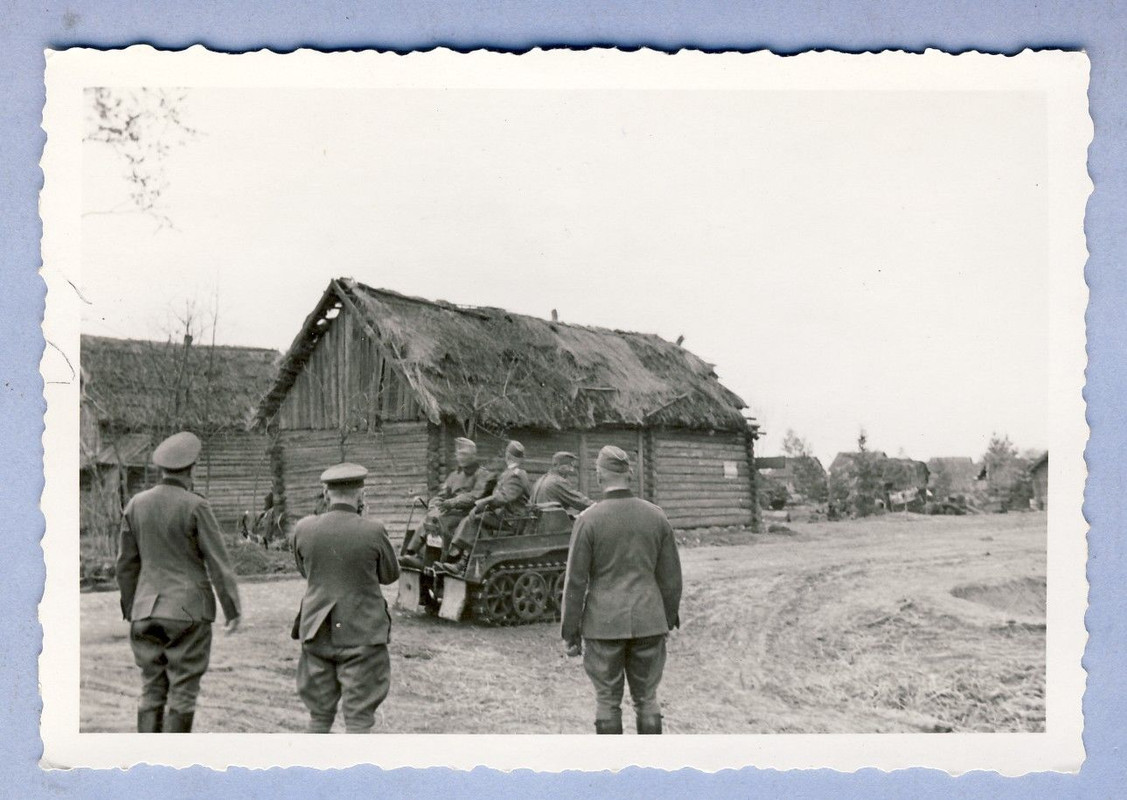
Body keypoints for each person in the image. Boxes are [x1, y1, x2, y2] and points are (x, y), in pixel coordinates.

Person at [116, 431, 242, 733]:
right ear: (192, 468)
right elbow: (218, 563)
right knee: (183, 693)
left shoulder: (136, 504)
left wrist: (132, 608)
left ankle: (148, 765)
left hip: (145, 613)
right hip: (188, 614)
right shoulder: (196, 506)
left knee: (151, 689)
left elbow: (126, 565)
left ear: (161, 469)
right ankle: (172, 766)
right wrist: (232, 609)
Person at [560, 445, 682, 735]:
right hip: (649, 623)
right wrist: (666, 617)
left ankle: (612, 770)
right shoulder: (656, 516)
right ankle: (650, 772)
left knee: (607, 702)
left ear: (599, 476)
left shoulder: (587, 520)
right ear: (629, 475)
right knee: (647, 700)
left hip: (603, 626)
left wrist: (570, 631)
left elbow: (575, 582)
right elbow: (671, 579)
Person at [291, 463, 400, 733]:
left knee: (318, 717)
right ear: (361, 495)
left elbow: (306, 571)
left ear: (326, 493)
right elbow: (389, 575)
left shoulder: (304, 528)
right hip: (363, 634)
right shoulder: (373, 530)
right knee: (359, 720)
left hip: (317, 632)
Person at [439, 440, 530, 574]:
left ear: (507, 456)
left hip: (511, 520)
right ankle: (461, 560)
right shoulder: (510, 473)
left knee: (475, 519)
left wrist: (480, 504)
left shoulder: (516, 475)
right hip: (504, 516)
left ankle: (459, 560)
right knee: (476, 520)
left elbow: (503, 497)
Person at [400, 437, 491, 568]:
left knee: (440, 520)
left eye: (464, 454)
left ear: (473, 455)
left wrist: (452, 503)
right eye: (458, 454)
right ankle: (415, 554)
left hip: (467, 514)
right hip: (449, 511)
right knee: (431, 517)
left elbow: (474, 497)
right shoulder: (454, 475)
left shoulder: (482, 474)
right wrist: (434, 504)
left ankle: (445, 561)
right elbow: (441, 495)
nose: (460, 457)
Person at [530, 451, 594, 514]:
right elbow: (579, 501)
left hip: (540, 522)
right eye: (569, 466)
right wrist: (597, 506)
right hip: (552, 522)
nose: (571, 470)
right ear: (559, 466)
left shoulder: (540, 480)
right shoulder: (557, 481)